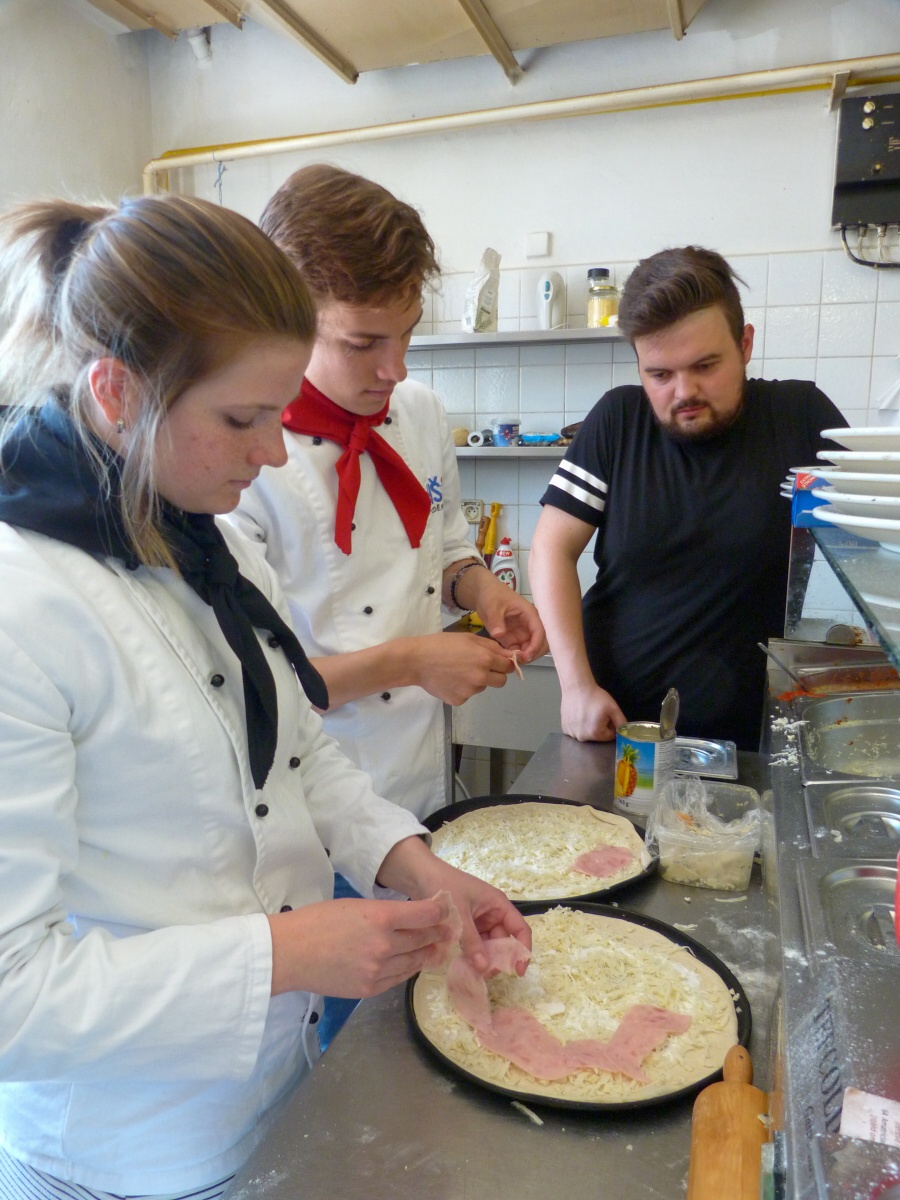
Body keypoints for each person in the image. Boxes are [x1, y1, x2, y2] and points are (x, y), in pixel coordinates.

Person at [0, 194, 529, 1200]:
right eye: (244, 419)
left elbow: (298, 753)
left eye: (279, 414)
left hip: (271, 1100)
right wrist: (282, 954)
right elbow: (10, 999)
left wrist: (418, 866)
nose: (277, 451)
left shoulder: (208, 546)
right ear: (117, 392)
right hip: (119, 1158)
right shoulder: (22, 608)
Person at [230, 164, 547, 829]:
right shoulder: (242, 457)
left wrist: (483, 591)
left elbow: (446, 546)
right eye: (363, 343)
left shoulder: (420, 412)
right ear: (284, 318)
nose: (395, 367)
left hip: (423, 786)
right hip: (310, 809)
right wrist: (413, 661)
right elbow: (249, 682)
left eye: (406, 332)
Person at [529, 245, 846, 752]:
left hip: (755, 732)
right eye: (660, 374)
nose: (684, 392)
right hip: (620, 726)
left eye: (705, 365)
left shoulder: (801, 417)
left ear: (744, 344)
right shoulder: (617, 421)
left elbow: (865, 541)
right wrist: (576, 686)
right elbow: (551, 549)